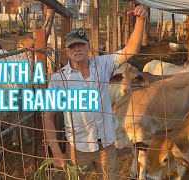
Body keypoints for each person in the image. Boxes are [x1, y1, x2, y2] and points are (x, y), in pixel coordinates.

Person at [44, 5, 148, 180]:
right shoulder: (58, 79)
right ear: (67, 51)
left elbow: (131, 49)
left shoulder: (103, 64)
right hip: (77, 149)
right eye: (72, 46)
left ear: (89, 46)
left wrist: (140, 20)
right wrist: (56, 152)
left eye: (81, 45)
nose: (77, 49)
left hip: (106, 147)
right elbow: (48, 117)